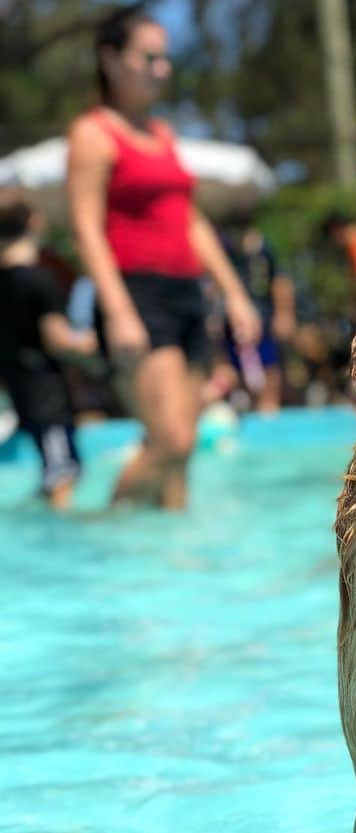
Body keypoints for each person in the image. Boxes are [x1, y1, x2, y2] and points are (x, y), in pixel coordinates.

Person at [66, 4, 261, 509]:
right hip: (137, 294)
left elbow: (190, 221)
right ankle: (103, 534)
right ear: (111, 60)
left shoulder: (162, 135)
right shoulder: (92, 134)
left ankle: (172, 563)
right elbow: (86, 231)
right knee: (170, 440)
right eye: (150, 57)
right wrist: (119, 310)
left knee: (184, 451)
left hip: (186, 294)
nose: (163, 69)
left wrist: (235, 294)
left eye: (165, 58)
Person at [0, 193, 98, 509]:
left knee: (51, 468)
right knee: (63, 473)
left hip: (17, 386)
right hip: (46, 391)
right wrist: (89, 343)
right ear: (34, 223)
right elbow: (56, 338)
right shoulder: (41, 280)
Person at [221, 213, 296, 412]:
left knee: (269, 362)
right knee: (231, 363)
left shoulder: (265, 248)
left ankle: (268, 406)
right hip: (231, 317)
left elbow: (280, 282)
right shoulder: (225, 248)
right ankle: (239, 404)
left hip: (263, 315)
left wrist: (284, 314)